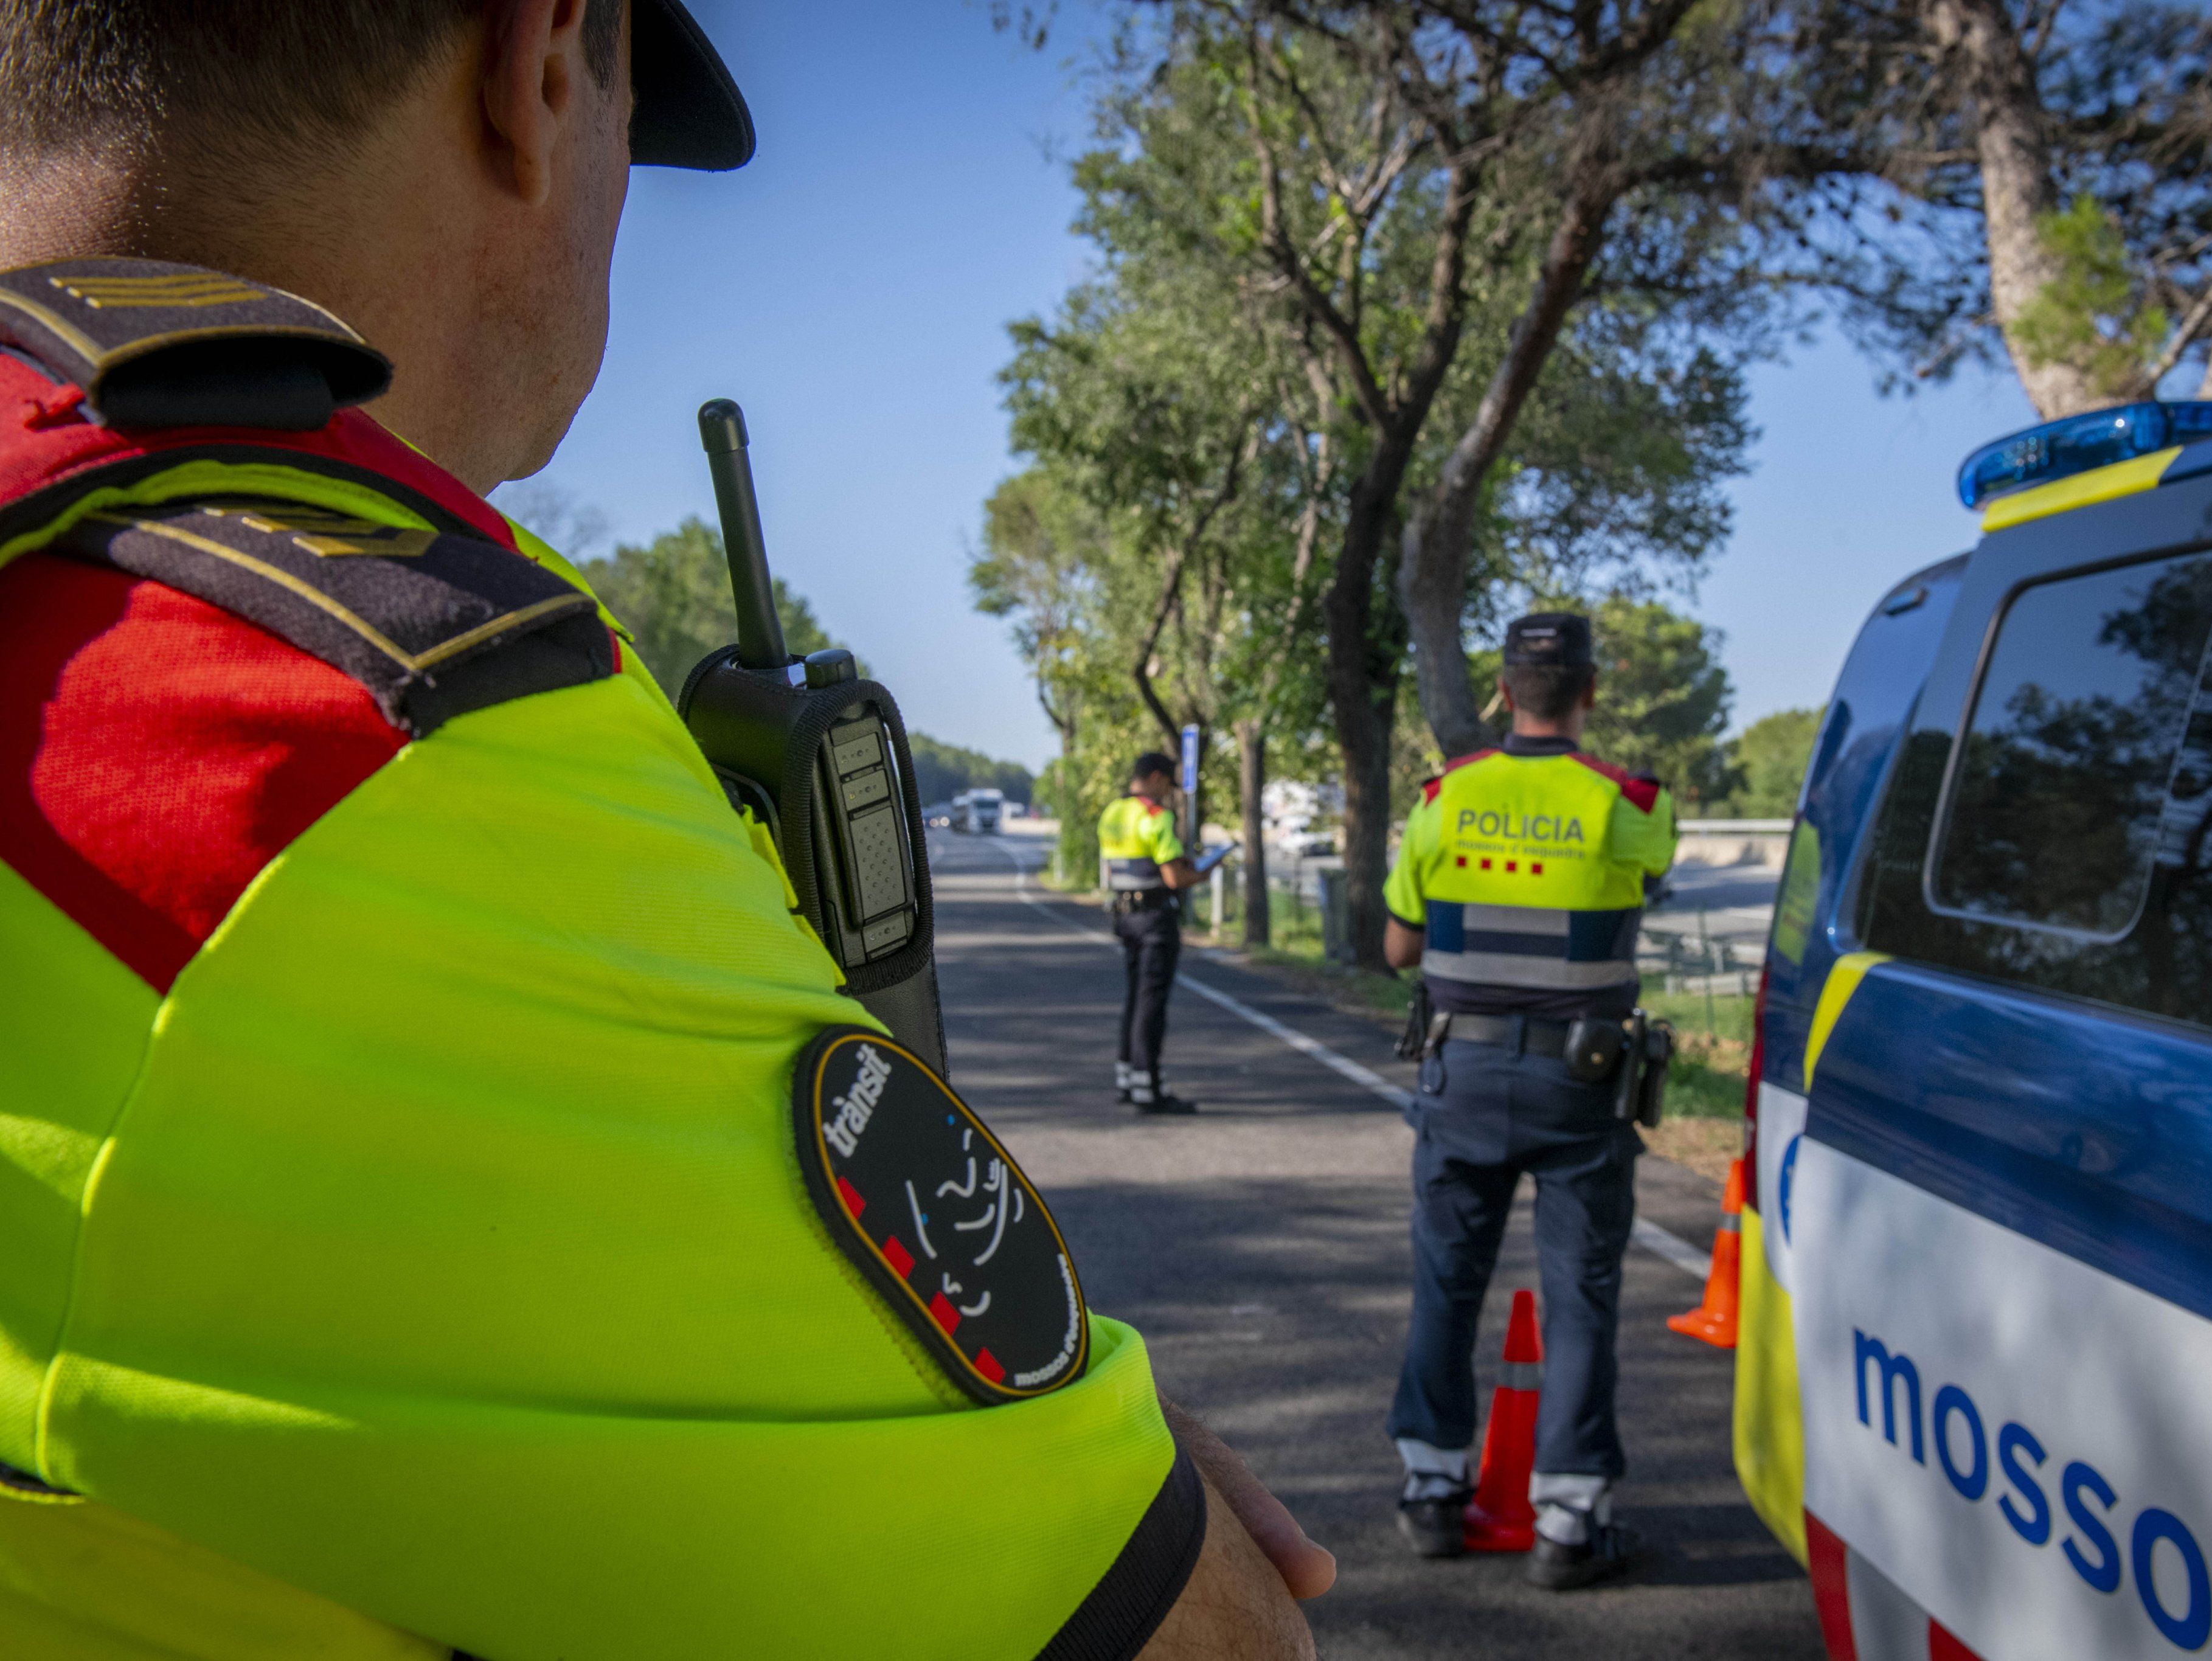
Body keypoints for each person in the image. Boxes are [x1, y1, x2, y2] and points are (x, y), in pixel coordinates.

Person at [0, 4, 1331, 1657]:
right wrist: (1041, 1455)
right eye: (636, 145)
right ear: (542, 66)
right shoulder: (369, 754)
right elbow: (1197, 1634)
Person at [1379, 611, 1678, 1590]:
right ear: (1591, 693)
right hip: (1580, 1086)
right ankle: (1569, 1516)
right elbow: (1651, 881)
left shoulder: (1444, 797)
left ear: (1503, 692)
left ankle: (1431, 1488)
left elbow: (1399, 950)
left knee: (1446, 1283)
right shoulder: (1631, 803)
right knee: (1581, 1296)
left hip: (1460, 1076)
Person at [1097, 751, 1210, 1114]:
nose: (1168, 793)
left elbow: (1128, 864)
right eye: (1168, 784)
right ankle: (1150, 1089)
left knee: (1134, 999)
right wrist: (1203, 873)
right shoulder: (1156, 816)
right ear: (1158, 778)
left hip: (1124, 917)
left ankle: (1129, 1079)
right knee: (1152, 1005)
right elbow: (1174, 878)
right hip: (1155, 921)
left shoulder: (1113, 812)